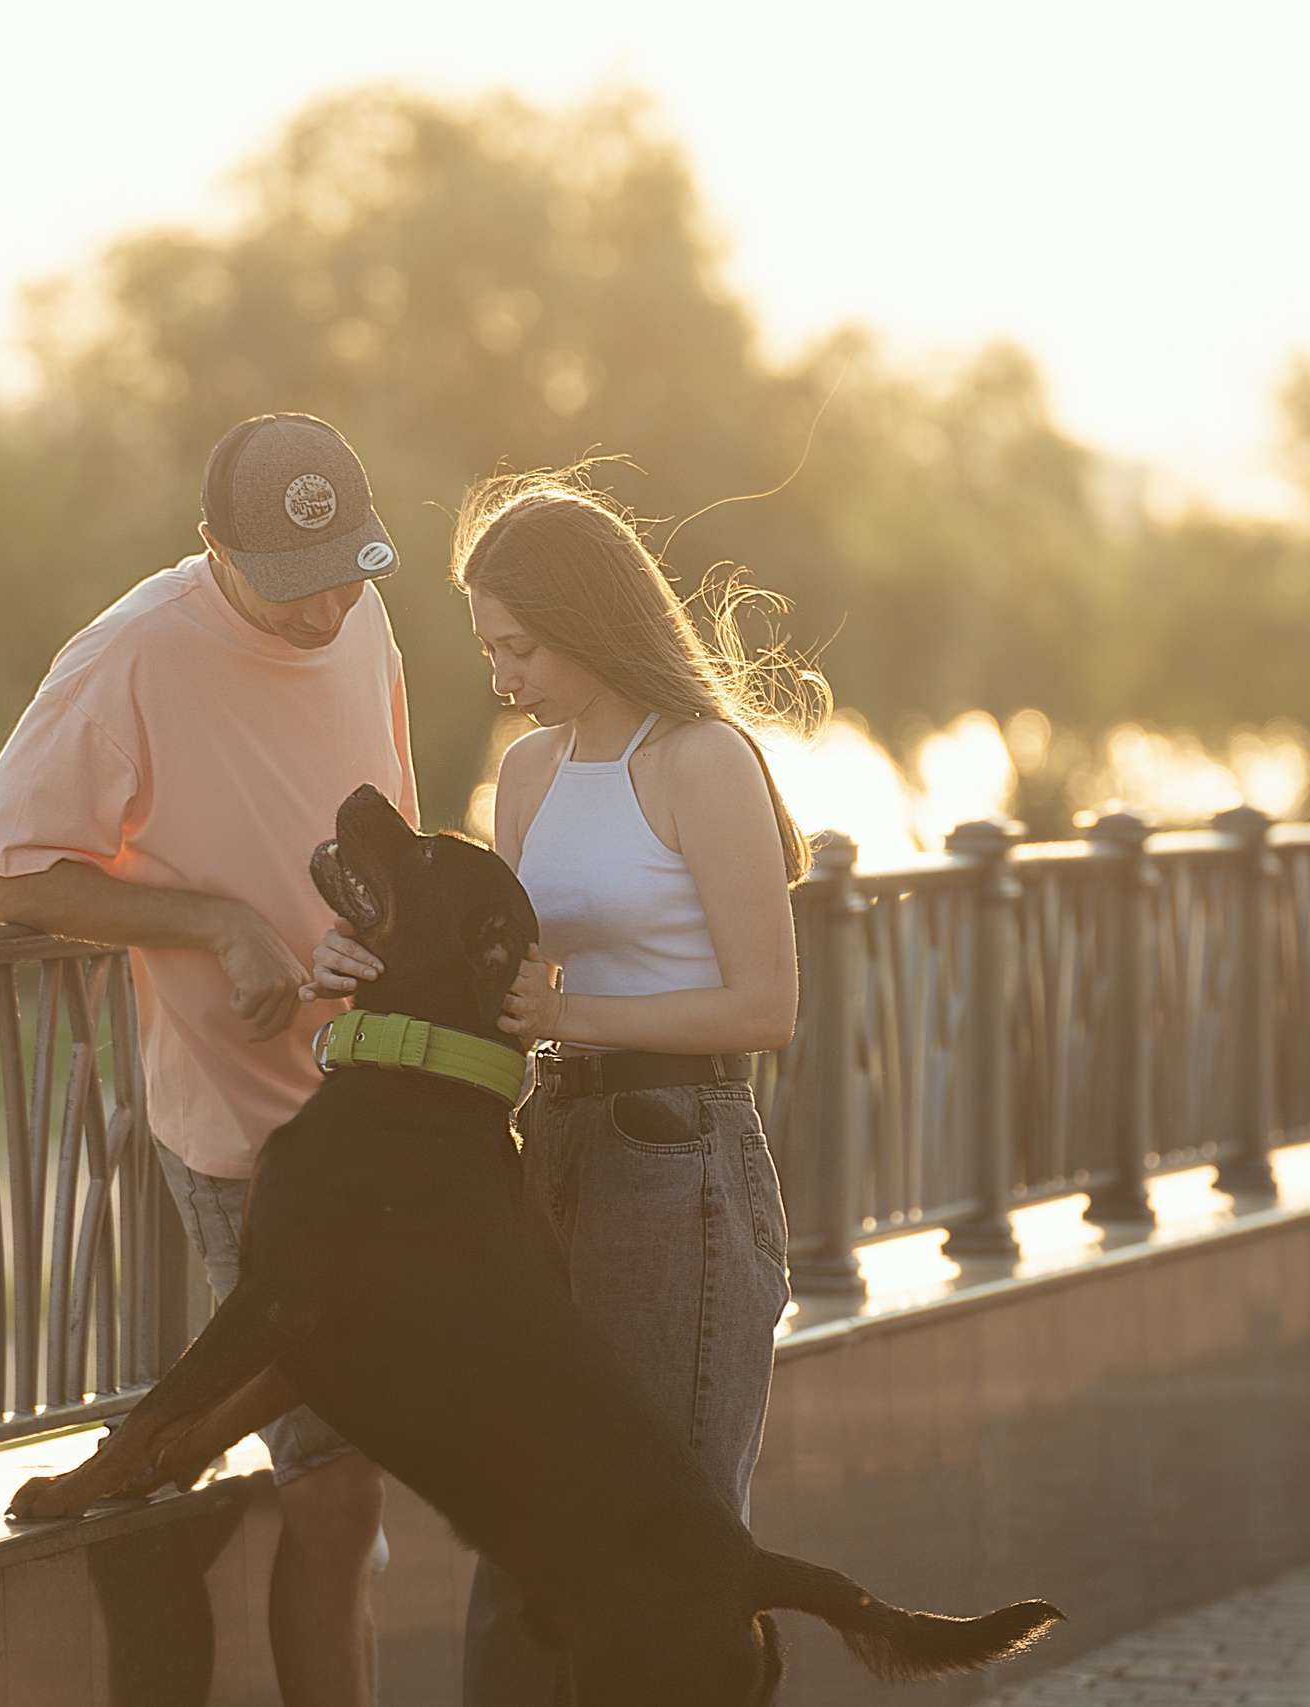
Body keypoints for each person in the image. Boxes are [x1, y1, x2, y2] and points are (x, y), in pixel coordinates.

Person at [310, 471, 813, 1705]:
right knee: (531, 1516)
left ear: (589, 623)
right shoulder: (530, 774)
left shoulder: (702, 762)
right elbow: (491, 976)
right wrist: (363, 961)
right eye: (489, 648)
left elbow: (767, 1008)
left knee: (666, 1545)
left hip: (678, 1157)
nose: (504, 676)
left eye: (520, 645)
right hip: (548, 1156)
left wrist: (570, 1015)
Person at [0, 413, 415, 1707]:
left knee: (348, 1481)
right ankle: (151, 1482)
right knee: (334, 1487)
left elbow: (395, 831)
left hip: (381, 1102)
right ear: (214, 546)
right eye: (293, 578)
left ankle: (156, 1481)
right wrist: (217, 923)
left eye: (349, 564)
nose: (330, 604)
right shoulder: (133, 651)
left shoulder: (363, 616)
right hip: (243, 1117)